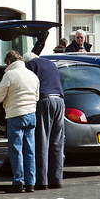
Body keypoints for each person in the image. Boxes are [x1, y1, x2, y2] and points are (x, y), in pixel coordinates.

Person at [0, 50, 39, 193]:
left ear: (8, 62)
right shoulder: (32, 75)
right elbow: (37, 96)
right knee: (30, 150)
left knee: (16, 150)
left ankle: (18, 183)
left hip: (15, 114)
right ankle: (31, 183)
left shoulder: (9, 75)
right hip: (31, 114)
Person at [23, 52, 65, 190]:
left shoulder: (30, 65)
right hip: (59, 100)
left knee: (42, 141)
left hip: (45, 100)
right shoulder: (50, 63)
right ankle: (57, 179)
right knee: (57, 142)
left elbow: (28, 84)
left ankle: (42, 181)